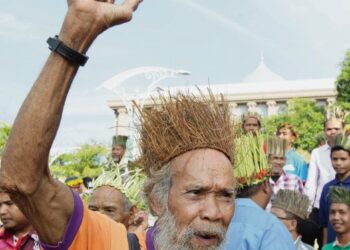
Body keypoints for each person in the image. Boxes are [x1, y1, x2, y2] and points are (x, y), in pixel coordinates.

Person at [0, 2, 236, 249]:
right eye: (196, 193)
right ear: (157, 199)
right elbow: (21, 180)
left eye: (226, 196)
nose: (213, 212)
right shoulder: (112, 242)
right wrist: (75, 34)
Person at [225, 133, 295, 250]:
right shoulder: (272, 228)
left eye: (281, 158)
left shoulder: (217, 220)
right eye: (275, 158)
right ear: (265, 186)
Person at [304, 109, 345, 247]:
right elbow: (311, 182)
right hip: (320, 206)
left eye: (336, 128)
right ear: (324, 131)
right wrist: (307, 209)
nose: (333, 132)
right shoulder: (317, 153)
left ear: (343, 129)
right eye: (329, 129)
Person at [88, 168, 146, 232]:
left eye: (109, 210)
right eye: (93, 210)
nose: (98, 216)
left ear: (132, 213)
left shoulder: (146, 240)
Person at [319, 134, 350, 245]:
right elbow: (325, 224)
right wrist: (325, 245)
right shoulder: (327, 188)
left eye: (343, 159)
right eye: (335, 159)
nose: (338, 163)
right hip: (333, 244)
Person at [267, 136, 304, 210]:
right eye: (275, 158)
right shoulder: (262, 182)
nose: (278, 162)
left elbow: (301, 207)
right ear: (268, 160)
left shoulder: (294, 180)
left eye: (282, 159)